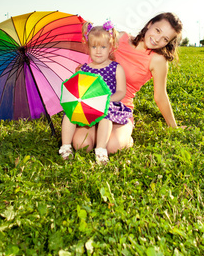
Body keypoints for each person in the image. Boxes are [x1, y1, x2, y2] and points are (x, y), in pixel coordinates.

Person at [72, 12, 183, 155]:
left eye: (165, 38)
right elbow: (95, 46)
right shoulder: (120, 38)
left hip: (121, 107)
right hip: (96, 102)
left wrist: (173, 126)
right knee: (82, 145)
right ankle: (97, 129)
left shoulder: (158, 60)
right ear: (149, 24)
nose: (157, 39)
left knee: (111, 147)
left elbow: (160, 96)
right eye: (157, 30)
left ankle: (126, 138)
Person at [59, 20, 132, 165]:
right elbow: (78, 90)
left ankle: (101, 150)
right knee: (70, 113)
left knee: (105, 114)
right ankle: (65, 146)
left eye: (103, 47)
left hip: (107, 104)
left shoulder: (116, 68)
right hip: (88, 105)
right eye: (94, 47)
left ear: (111, 47)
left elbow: (121, 92)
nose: (98, 51)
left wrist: (107, 100)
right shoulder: (84, 68)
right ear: (88, 47)